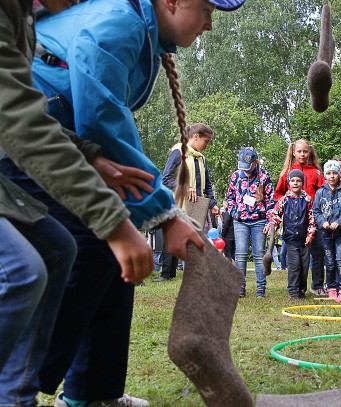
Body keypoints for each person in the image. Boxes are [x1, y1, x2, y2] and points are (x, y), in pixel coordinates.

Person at [2, 0, 244, 405]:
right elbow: (101, 116)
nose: (209, 25)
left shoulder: (144, 32)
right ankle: (21, 384)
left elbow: (96, 123)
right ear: (171, 1)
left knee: (109, 256)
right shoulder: (121, 21)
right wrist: (164, 214)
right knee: (84, 251)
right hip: (30, 151)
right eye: (205, 9)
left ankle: (92, 394)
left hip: (64, 147)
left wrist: (129, 196)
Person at [0, 1, 159, 405]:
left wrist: (88, 153)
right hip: (12, 164)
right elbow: (19, 120)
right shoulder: (118, 23)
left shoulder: (25, 18)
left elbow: (19, 111)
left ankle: (29, 394)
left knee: (59, 249)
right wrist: (117, 223)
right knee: (23, 269)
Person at [156, 123, 218, 282]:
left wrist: (213, 204)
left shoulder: (201, 158)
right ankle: (167, 274)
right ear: (195, 136)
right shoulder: (178, 152)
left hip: (198, 206)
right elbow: (166, 179)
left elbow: (207, 185)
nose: (207, 145)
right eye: (206, 141)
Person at [275, 139, 327, 296]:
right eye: (299, 151)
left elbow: (323, 194)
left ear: (309, 152)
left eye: (305, 151)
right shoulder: (287, 173)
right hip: (293, 225)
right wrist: (285, 209)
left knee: (317, 254)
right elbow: (278, 195)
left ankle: (317, 285)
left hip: (313, 221)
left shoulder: (316, 173)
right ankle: (295, 288)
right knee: (295, 260)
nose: (303, 154)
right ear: (293, 152)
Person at [226, 147, 275, 298]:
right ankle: (240, 287)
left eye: (248, 167)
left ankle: (261, 288)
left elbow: (271, 201)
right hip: (240, 222)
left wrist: (269, 221)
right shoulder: (235, 176)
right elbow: (229, 198)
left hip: (259, 221)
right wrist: (235, 213)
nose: (245, 170)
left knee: (259, 254)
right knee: (240, 253)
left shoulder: (264, 176)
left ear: (256, 162)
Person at [313, 161, 341, 302]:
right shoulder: (320, 192)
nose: (332, 176)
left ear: (339, 174)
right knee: (329, 262)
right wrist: (323, 222)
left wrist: (339, 222)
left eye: (335, 173)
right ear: (325, 175)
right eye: (329, 173)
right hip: (326, 233)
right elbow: (316, 211)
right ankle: (332, 288)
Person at [271, 169, 316, 300]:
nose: (295, 183)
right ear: (288, 182)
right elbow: (275, 215)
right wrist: (271, 225)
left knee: (304, 266)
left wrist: (310, 235)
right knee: (294, 266)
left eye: (298, 181)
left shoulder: (307, 200)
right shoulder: (284, 200)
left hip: (304, 240)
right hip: (290, 239)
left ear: (302, 183)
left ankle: (302, 289)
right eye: (292, 181)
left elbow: (312, 219)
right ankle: (293, 291)